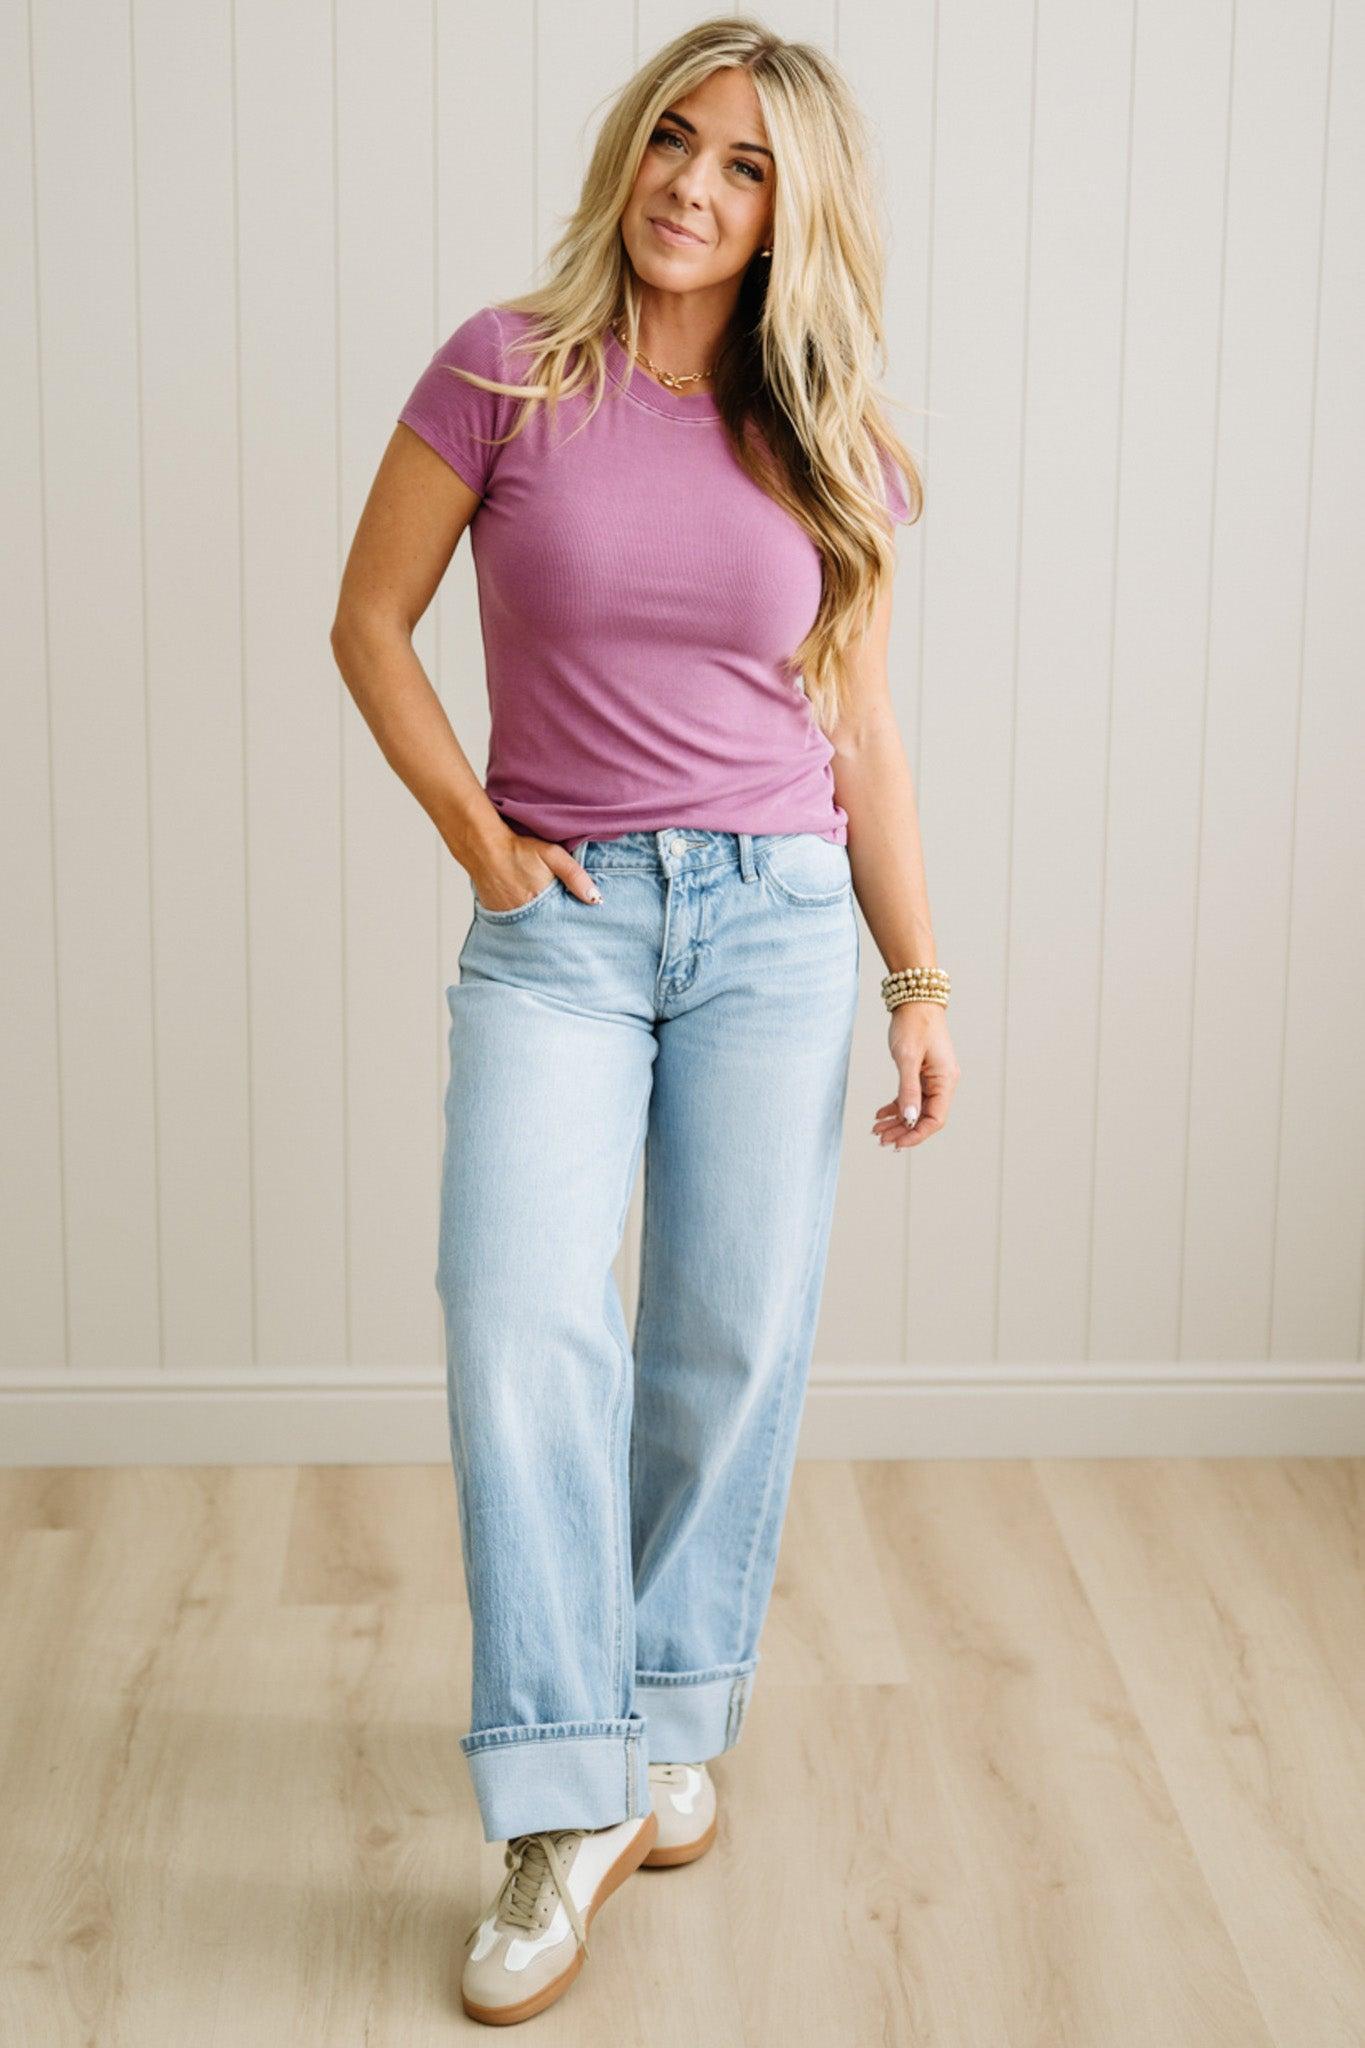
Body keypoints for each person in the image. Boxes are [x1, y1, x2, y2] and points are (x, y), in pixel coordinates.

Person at [330, 14, 959, 2028]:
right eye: (675, 138)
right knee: (519, 1308)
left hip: (776, 927)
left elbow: (860, 736)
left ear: (793, 210)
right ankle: (561, 1790)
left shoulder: (829, 432)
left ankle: (664, 1724)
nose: (693, 183)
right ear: (629, 149)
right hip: (566, 927)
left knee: (724, 1331)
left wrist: (916, 979)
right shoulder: (504, 368)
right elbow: (367, 621)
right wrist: (482, 840)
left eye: (745, 163)